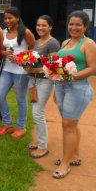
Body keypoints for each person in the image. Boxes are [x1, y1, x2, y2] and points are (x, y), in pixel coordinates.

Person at [52, 11, 96, 179]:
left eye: (78, 24)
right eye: (71, 24)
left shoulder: (89, 44)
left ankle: (65, 164)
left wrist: (70, 77)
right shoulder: (65, 42)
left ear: (85, 26)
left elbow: (92, 69)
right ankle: (75, 155)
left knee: (68, 125)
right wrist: (56, 87)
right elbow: (59, 66)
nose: (74, 27)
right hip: (62, 88)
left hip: (78, 88)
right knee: (71, 124)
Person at [0, 7, 35, 138]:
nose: (7, 20)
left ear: (17, 18)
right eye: (6, 18)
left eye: (10, 18)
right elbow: (1, 50)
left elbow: (33, 50)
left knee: (20, 99)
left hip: (21, 71)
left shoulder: (26, 32)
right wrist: (5, 53)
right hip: (7, 69)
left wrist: (22, 59)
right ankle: (8, 124)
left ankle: (22, 127)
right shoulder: (4, 32)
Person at [25, 15, 60, 158]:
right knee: (36, 111)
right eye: (38, 25)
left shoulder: (53, 43)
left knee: (38, 112)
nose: (40, 28)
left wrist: (34, 70)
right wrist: (25, 63)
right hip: (32, 81)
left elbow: (53, 67)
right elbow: (33, 60)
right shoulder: (37, 42)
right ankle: (40, 140)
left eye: (44, 25)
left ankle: (43, 146)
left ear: (50, 27)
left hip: (45, 81)